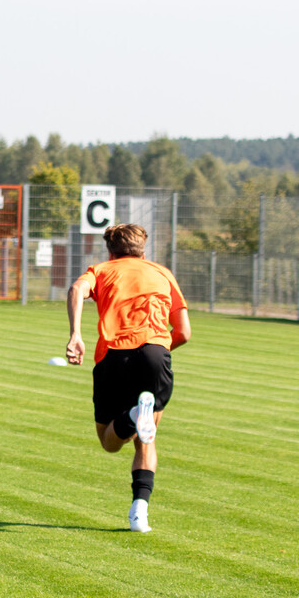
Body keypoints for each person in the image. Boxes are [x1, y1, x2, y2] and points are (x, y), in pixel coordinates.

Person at [65, 223, 191, 534]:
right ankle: (140, 515)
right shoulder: (162, 272)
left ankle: (135, 414)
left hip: (114, 355)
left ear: (110, 251)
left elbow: (76, 290)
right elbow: (184, 333)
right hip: (155, 355)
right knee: (146, 439)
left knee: (110, 442)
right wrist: (159, 349)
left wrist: (75, 335)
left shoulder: (101, 270)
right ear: (143, 250)